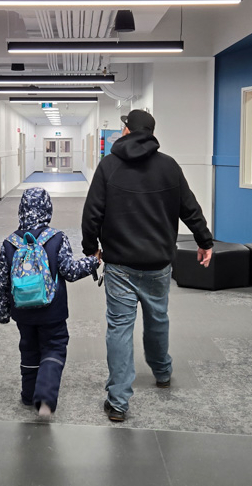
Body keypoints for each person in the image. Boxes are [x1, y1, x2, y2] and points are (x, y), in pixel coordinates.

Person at [81, 109, 214, 422]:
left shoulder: (109, 166)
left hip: (119, 264)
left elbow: (92, 213)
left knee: (119, 327)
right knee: (157, 319)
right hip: (157, 264)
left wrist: (91, 249)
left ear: (127, 130)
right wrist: (205, 241)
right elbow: (190, 207)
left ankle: (118, 401)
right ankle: (163, 371)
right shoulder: (168, 166)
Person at [0, 188, 100, 418]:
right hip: (52, 310)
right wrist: (93, 261)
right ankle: (44, 397)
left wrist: (3, 310)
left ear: (21, 209)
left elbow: (2, 280)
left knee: (29, 348)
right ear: (47, 209)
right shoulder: (57, 238)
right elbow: (69, 271)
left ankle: (28, 393)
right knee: (54, 346)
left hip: (22, 311)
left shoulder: (9, 242)